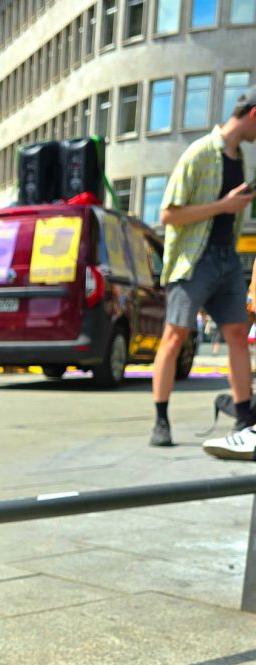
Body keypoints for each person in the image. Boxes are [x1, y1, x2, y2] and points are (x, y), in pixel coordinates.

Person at [147, 86, 256, 450]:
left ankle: (245, 419)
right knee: (175, 336)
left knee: (238, 334)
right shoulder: (198, 154)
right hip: (193, 260)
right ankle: (160, 421)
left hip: (227, 257)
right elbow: (167, 215)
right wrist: (222, 206)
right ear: (253, 115)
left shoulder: (242, 158)